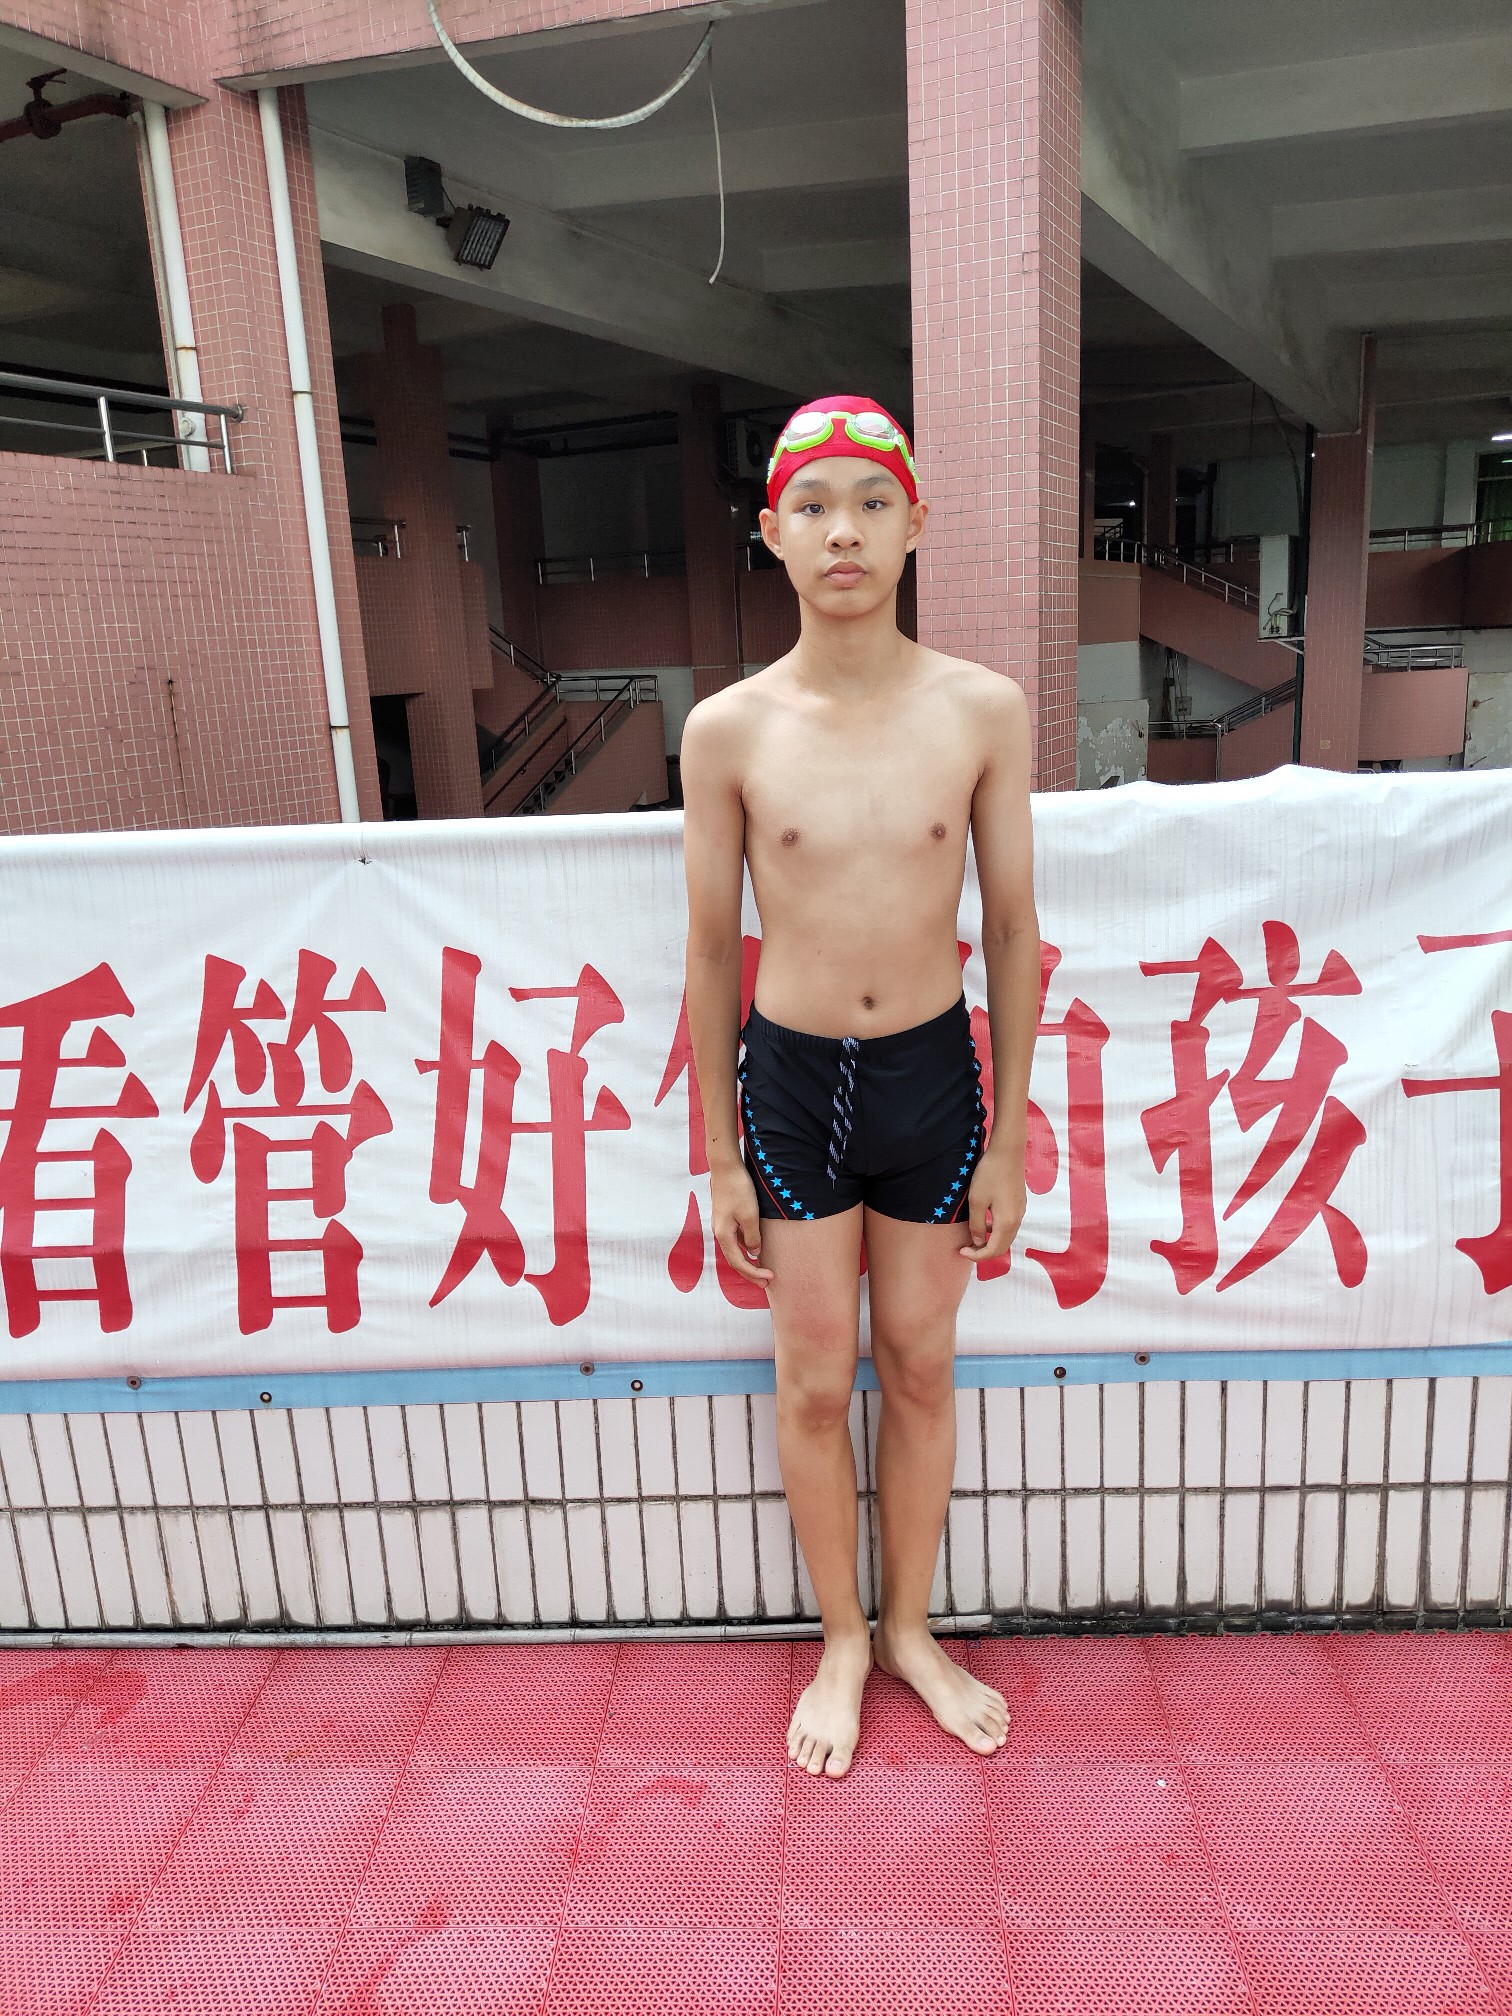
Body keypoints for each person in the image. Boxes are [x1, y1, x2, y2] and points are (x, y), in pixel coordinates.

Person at [680, 393, 1040, 1779]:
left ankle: (910, 1631)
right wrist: (720, 1152)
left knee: (924, 1364)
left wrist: (1006, 1141)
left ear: (915, 525)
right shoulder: (729, 729)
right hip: (790, 1081)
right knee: (817, 1379)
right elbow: (711, 950)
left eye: (872, 504)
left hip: (931, 1077)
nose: (844, 531)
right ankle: (841, 1636)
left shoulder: (980, 710)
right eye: (815, 507)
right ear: (773, 534)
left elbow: (1011, 929)